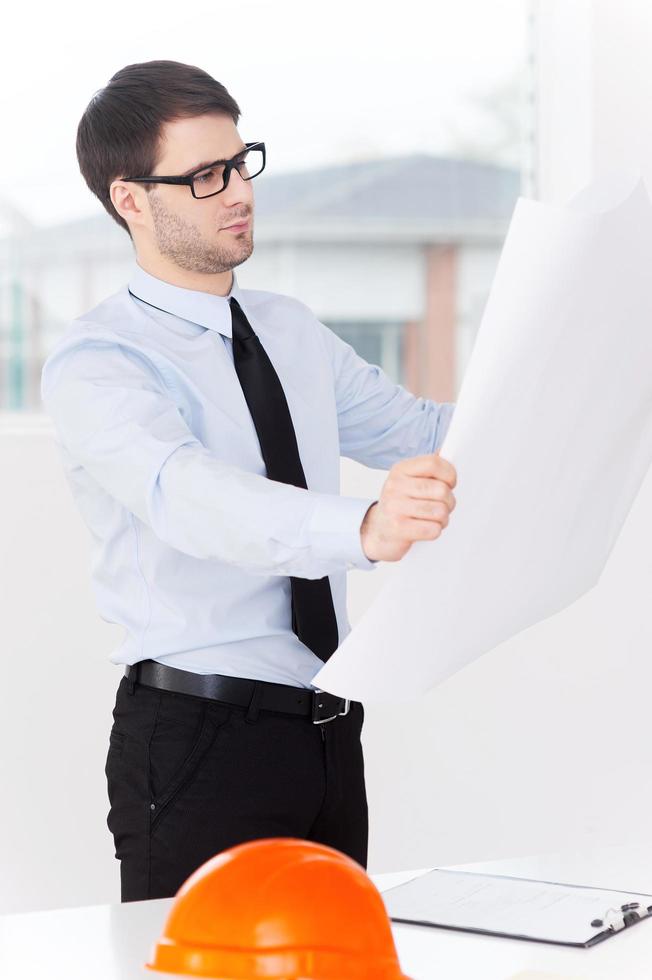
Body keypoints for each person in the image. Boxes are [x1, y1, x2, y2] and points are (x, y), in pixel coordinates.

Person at [40, 59, 458, 902]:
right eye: (203, 176)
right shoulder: (99, 362)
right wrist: (363, 526)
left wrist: (579, 391)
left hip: (329, 729)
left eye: (239, 162)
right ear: (131, 199)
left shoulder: (289, 329)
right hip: (200, 739)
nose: (237, 191)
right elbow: (191, 498)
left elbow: (421, 432)